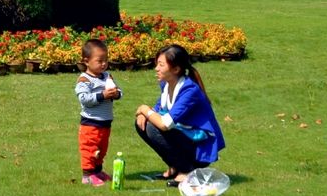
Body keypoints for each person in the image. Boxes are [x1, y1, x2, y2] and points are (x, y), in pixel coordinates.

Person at [134, 44, 224, 185]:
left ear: (176, 69)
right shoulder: (167, 84)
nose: (156, 69)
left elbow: (165, 124)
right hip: (186, 138)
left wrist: (145, 109)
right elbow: (158, 109)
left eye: (161, 65)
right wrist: (143, 114)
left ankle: (187, 171)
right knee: (143, 124)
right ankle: (175, 167)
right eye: (157, 64)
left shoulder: (189, 90)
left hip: (199, 149)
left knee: (153, 127)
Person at [74, 38, 122, 186]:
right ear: (86, 61)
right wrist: (102, 95)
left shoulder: (107, 76)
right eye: (99, 60)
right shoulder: (84, 79)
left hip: (105, 122)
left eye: (105, 60)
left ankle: (98, 171)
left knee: (102, 149)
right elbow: (84, 99)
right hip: (91, 123)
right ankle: (87, 175)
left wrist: (116, 94)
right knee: (90, 148)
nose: (103, 64)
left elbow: (119, 90)